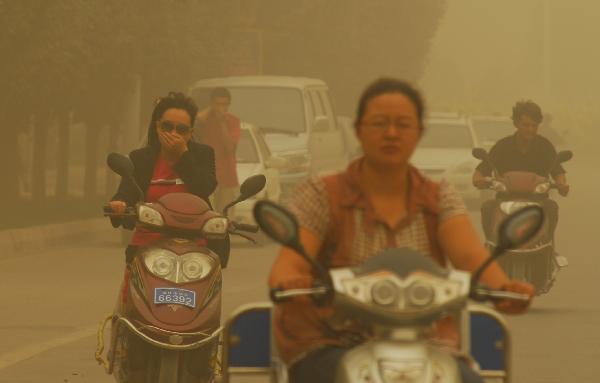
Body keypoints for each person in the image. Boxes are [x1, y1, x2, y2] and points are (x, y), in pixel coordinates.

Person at [268, 78, 534, 383]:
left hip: (428, 346)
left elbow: (471, 257)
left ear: (418, 133)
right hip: (333, 344)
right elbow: (287, 266)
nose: (391, 133)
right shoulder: (321, 194)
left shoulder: (439, 196)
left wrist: (505, 289)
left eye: (403, 124)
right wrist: (294, 283)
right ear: (358, 130)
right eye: (380, 123)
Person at [109, 92, 220, 263]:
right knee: (132, 286)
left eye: (181, 130)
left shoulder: (203, 154)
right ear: (157, 127)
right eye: (167, 127)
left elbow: (205, 186)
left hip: (194, 247)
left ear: (190, 132)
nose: (173, 133)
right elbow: (126, 192)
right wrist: (119, 204)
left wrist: (182, 156)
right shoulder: (140, 158)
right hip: (147, 246)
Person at [472, 100, 569, 241]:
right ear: (516, 124)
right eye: (526, 125)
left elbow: (558, 171)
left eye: (534, 126)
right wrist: (478, 180)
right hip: (504, 200)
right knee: (488, 207)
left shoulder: (545, 146)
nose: (530, 129)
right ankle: (491, 246)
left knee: (552, 207)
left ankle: (548, 247)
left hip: (538, 201)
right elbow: (482, 170)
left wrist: (562, 185)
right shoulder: (502, 146)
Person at [195, 87, 241, 215]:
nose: (222, 108)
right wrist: (211, 110)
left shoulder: (233, 121)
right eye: (218, 104)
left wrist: (222, 123)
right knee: (206, 213)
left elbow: (230, 147)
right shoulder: (205, 119)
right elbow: (197, 119)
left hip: (227, 176)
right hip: (207, 174)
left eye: (225, 104)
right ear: (211, 104)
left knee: (225, 216)